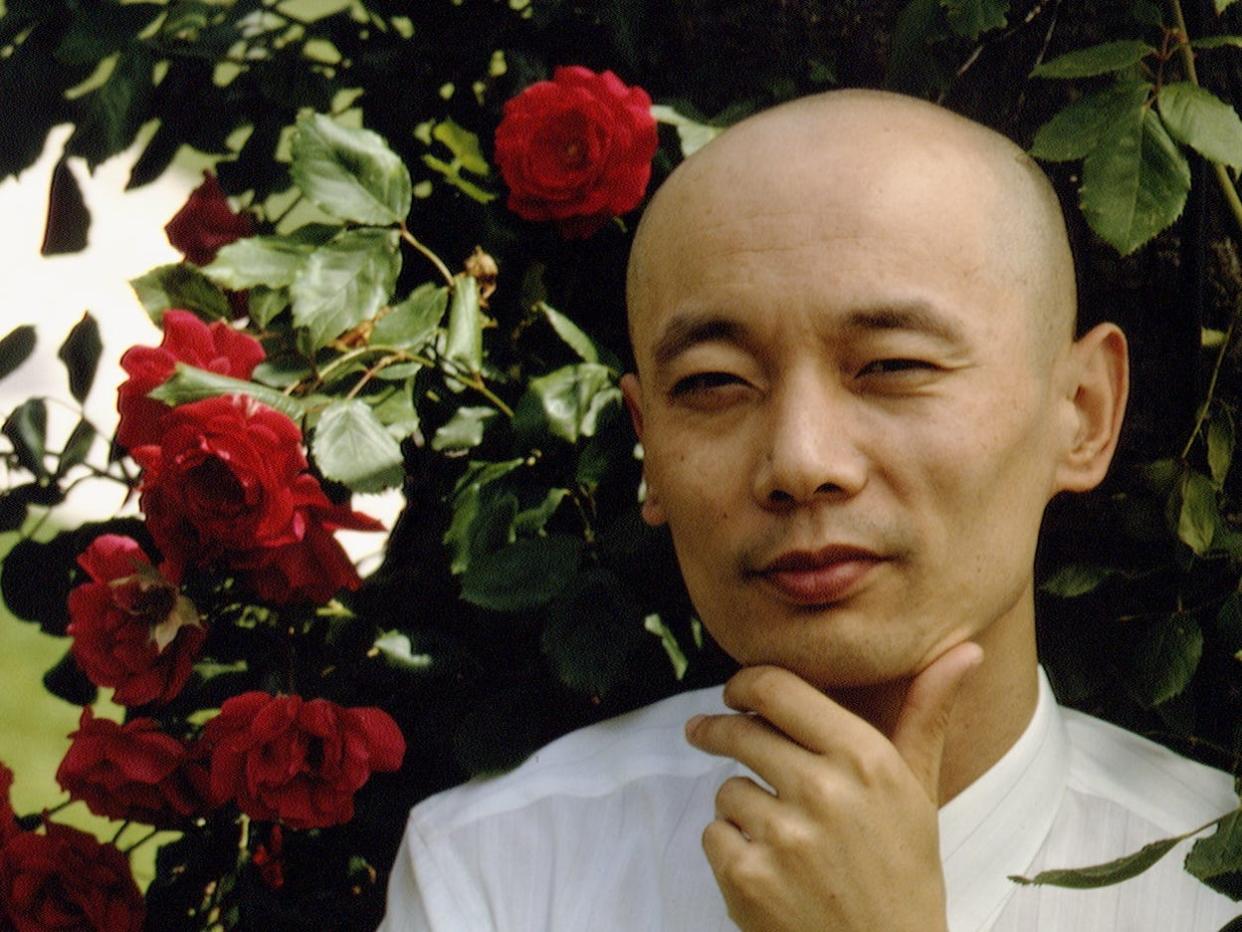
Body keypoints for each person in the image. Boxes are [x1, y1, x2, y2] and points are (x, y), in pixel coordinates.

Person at [379, 89, 1239, 931]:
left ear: (1082, 413)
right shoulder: (500, 875)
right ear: (648, 450)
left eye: (893, 366)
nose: (800, 461)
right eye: (714, 382)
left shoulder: (1216, 885)